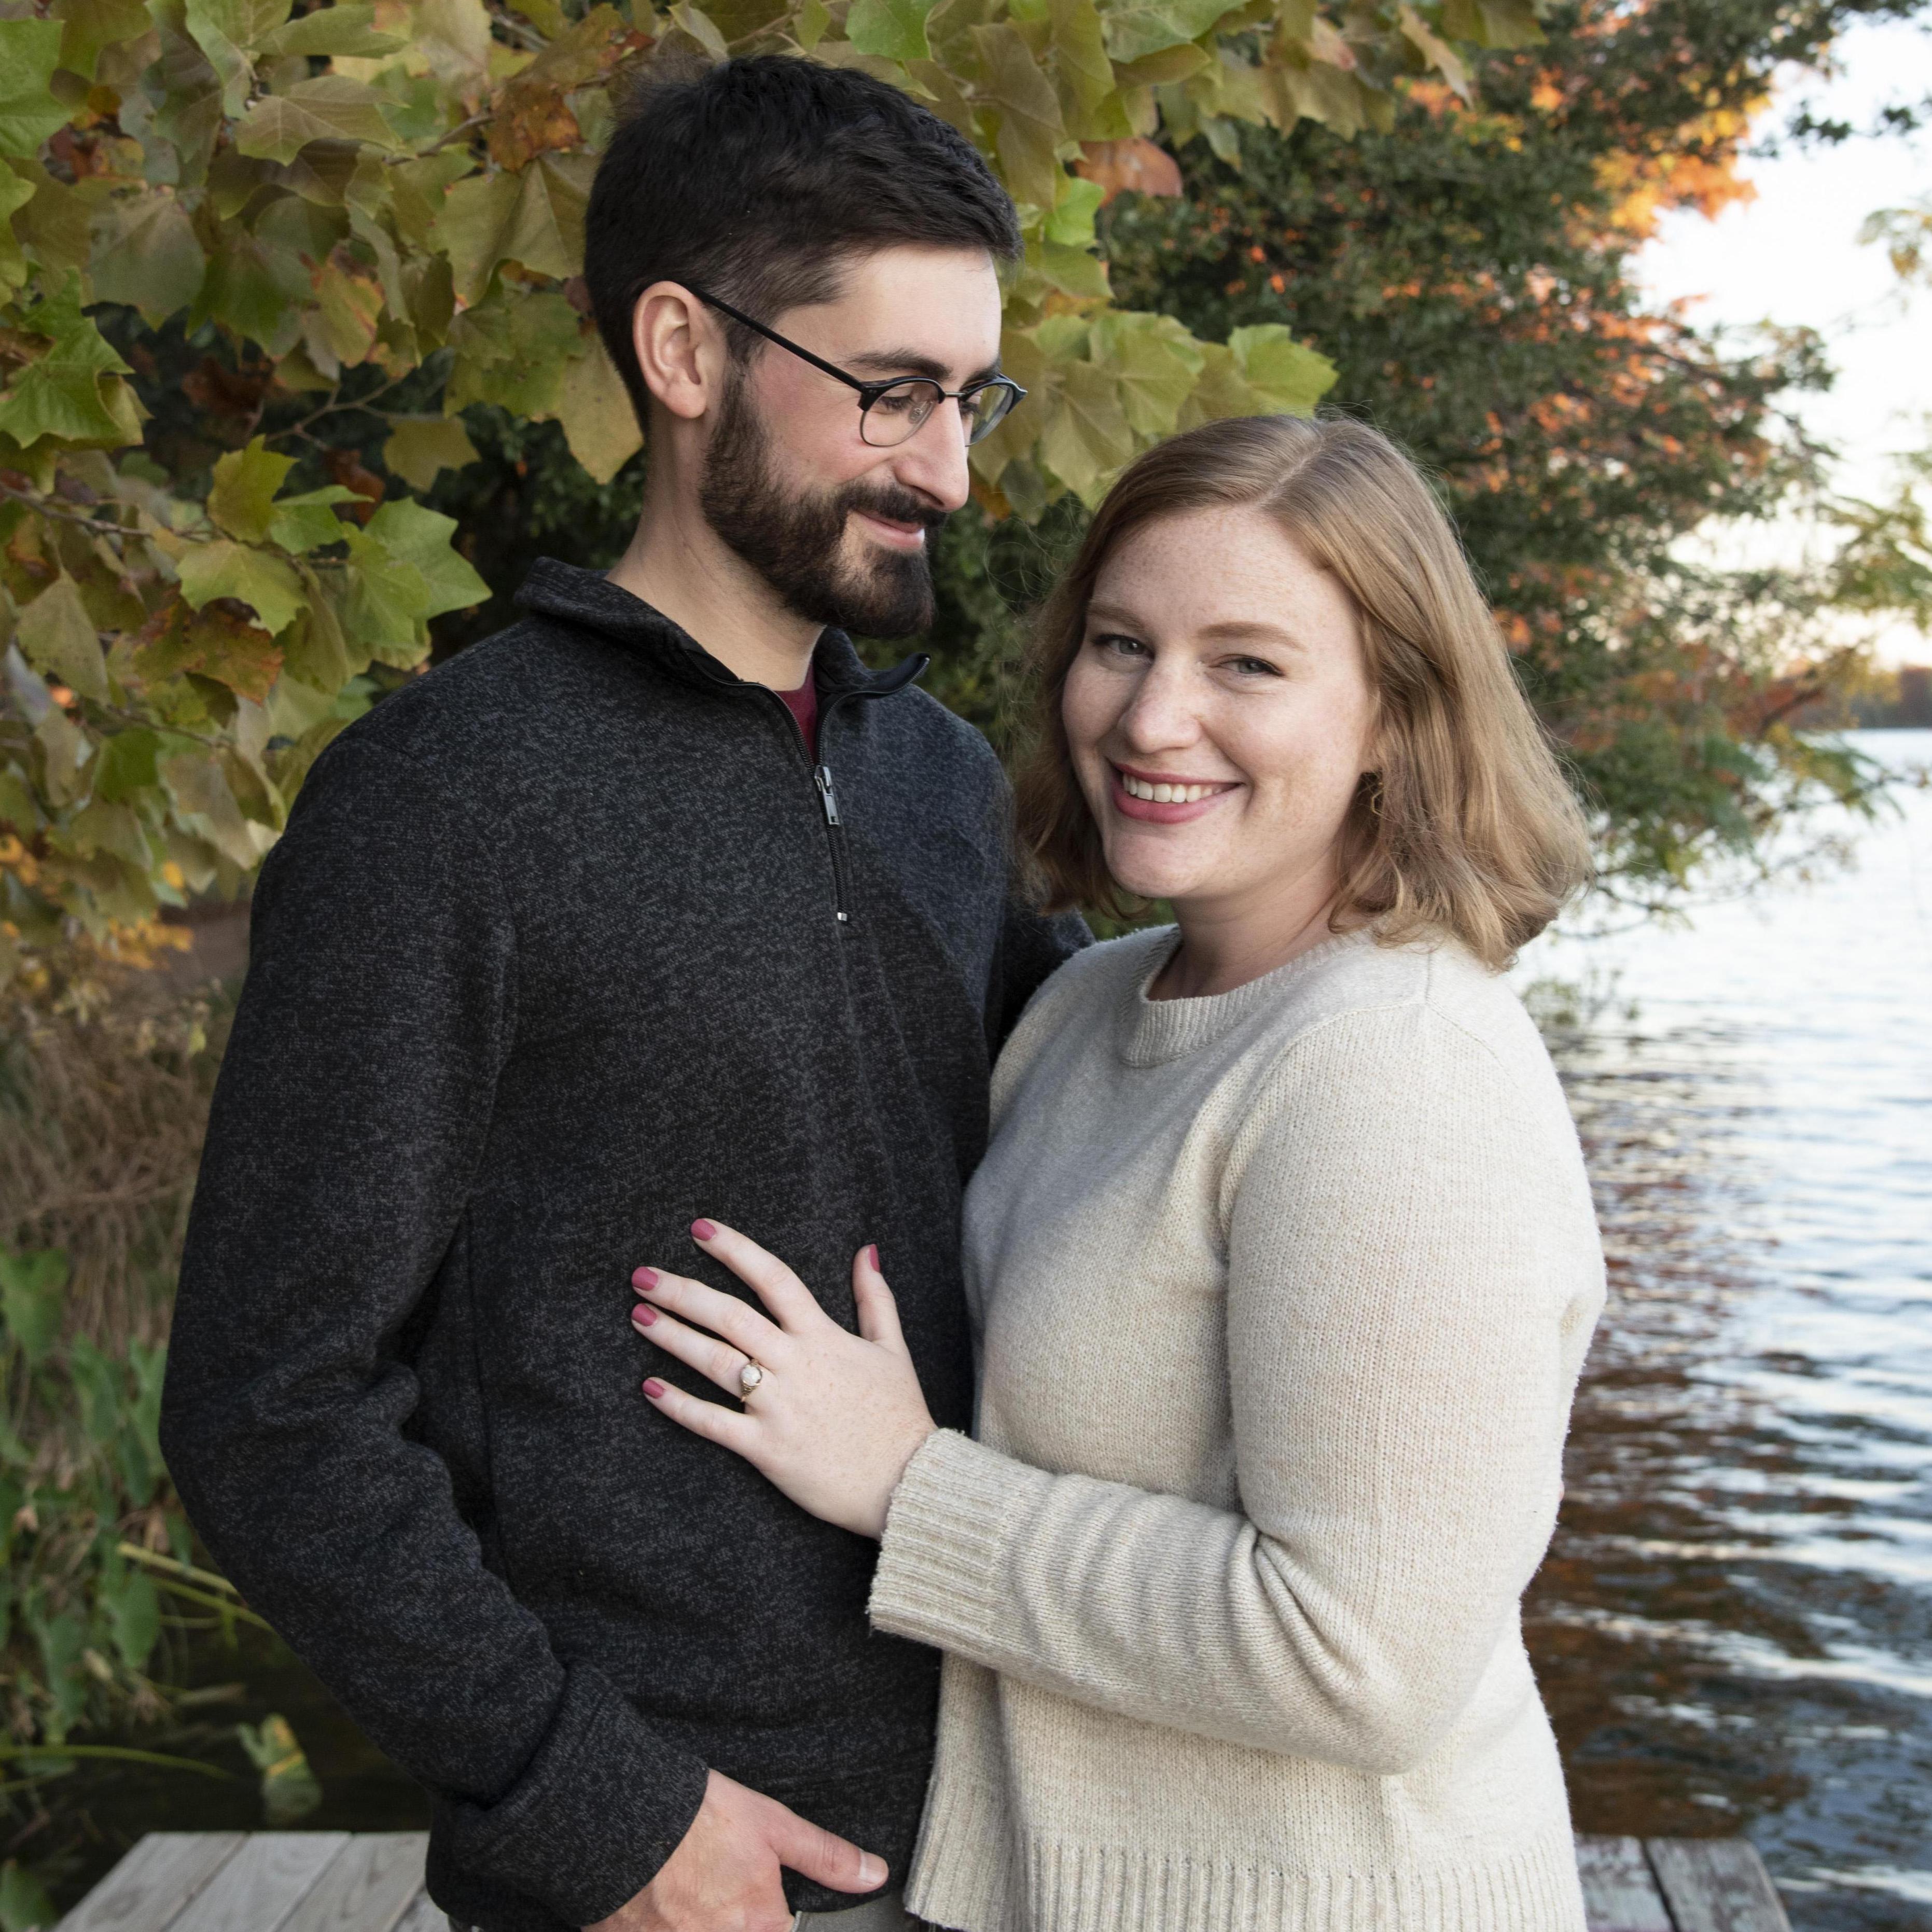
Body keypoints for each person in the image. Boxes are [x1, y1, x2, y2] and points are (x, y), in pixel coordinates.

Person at [159, 55, 1085, 1932]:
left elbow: (1150, 1113)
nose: (953, 470)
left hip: (1019, 1827)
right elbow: (271, 1403)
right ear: (684, 349)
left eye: (969, 398)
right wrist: (592, 1806)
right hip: (667, 1875)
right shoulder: (439, 802)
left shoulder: (945, 784)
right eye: (891, 394)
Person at [620, 414, 1609, 1932]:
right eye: (1122, 643)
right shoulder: (1093, 1006)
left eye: (1248, 665)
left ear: (1395, 715)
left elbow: (1362, 1660)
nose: (1154, 720)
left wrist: (907, 1486)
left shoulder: (1400, 1069)